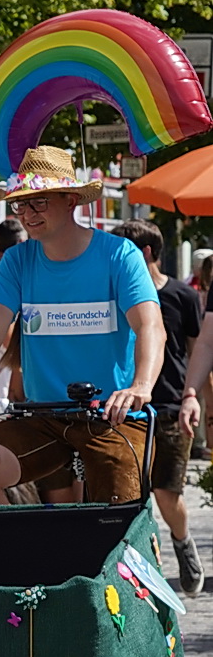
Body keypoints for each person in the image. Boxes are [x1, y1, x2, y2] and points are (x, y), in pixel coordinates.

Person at [0, 147, 163, 506]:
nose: (27, 214)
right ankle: (28, 562)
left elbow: (150, 327)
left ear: (71, 201)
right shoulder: (18, 260)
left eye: (39, 202)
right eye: (21, 204)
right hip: (43, 414)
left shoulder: (119, 254)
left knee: (119, 513)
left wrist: (140, 387)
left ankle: (133, 558)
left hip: (111, 414)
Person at [110, 220, 204, 595]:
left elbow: (199, 352)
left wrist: (197, 403)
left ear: (146, 252)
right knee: (128, 495)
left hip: (168, 404)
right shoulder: (113, 291)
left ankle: (182, 542)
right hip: (122, 407)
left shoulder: (182, 295)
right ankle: (143, 572)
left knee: (167, 494)